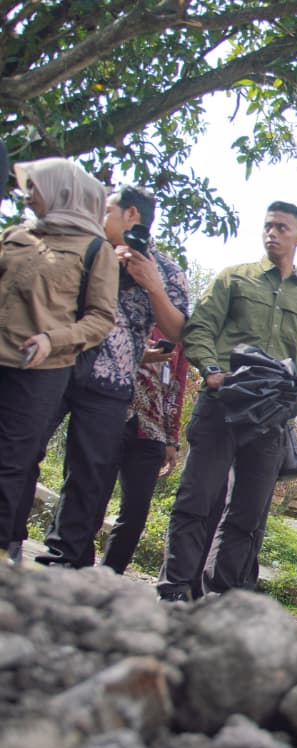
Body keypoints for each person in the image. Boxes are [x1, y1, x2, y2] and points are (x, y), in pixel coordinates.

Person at [158, 201, 297, 601]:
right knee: (196, 500)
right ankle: (175, 590)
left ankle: (223, 598)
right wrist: (211, 369)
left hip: (272, 415)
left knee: (248, 514)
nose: (272, 233)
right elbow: (199, 329)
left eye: (282, 228)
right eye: (268, 226)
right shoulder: (234, 278)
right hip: (223, 404)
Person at [34, 184, 189, 568]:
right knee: (22, 450)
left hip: (112, 383)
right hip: (55, 367)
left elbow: (180, 333)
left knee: (89, 475)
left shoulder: (166, 270)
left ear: (131, 215)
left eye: (106, 210)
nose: (97, 217)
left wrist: (151, 284)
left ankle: (63, 560)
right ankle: (9, 539)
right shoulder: (82, 248)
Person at [1, 159, 118, 562]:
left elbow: (101, 318)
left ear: (61, 191)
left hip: (37, 371)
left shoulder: (94, 248)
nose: (28, 194)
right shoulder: (16, 235)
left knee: (9, 464)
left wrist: (54, 339)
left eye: (36, 186)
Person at [99, 329, 190, 572]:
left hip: (152, 431)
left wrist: (172, 439)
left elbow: (176, 389)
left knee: (136, 511)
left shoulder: (176, 330)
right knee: (92, 494)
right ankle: (72, 563)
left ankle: (110, 574)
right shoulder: (131, 313)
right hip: (111, 414)